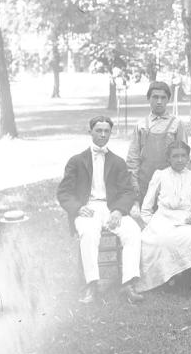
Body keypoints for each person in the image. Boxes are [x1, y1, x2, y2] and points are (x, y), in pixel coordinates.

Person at [57, 116, 144, 304]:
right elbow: (64, 192)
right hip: (88, 208)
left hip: (112, 207)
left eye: (106, 131)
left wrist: (119, 211)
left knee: (133, 231)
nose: (103, 134)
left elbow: (128, 192)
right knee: (88, 232)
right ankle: (91, 284)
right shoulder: (77, 161)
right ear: (90, 132)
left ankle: (128, 283)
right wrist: (78, 208)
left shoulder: (118, 162)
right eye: (99, 130)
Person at [135, 141, 191, 294]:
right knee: (159, 239)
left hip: (185, 218)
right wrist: (151, 223)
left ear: (188, 157)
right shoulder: (160, 175)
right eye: (175, 156)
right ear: (168, 158)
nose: (180, 160)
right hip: (162, 217)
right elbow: (146, 207)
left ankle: (185, 275)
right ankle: (165, 277)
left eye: (183, 156)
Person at [126, 82, 186, 215]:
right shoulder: (141, 125)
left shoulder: (177, 124)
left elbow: (184, 158)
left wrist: (183, 185)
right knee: (145, 218)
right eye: (155, 97)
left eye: (163, 98)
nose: (159, 101)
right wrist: (134, 185)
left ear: (168, 100)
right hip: (145, 180)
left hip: (170, 182)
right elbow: (132, 159)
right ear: (149, 98)